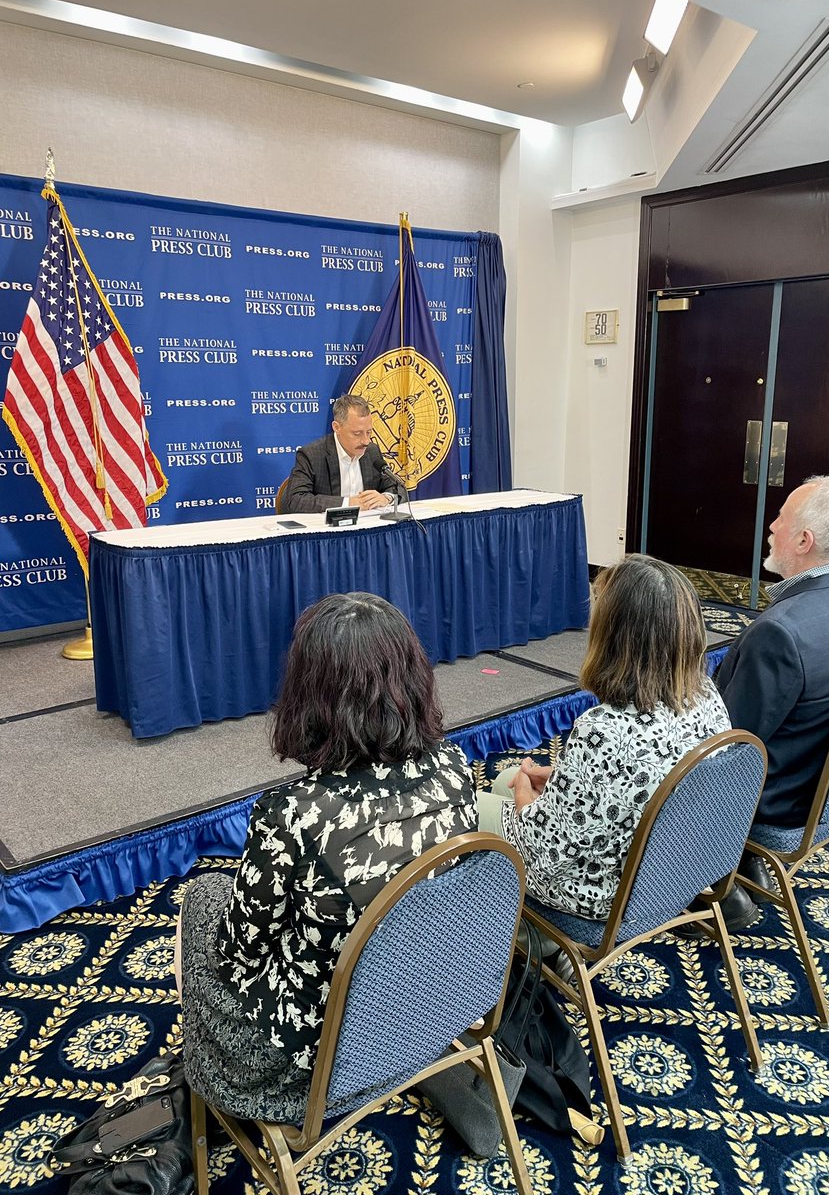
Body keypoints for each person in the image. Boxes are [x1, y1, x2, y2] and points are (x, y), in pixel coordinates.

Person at [176, 593, 475, 1121]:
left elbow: (239, 954)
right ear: (413, 680)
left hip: (317, 1061)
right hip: (431, 1004)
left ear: (309, 695)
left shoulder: (292, 817)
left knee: (203, 895)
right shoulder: (456, 769)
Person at [478, 555, 731, 923]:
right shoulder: (706, 694)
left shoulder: (602, 729)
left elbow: (545, 851)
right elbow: (643, 782)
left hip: (604, 895)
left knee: (467, 815)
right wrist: (564, 781)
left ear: (613, 636)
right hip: (675, 871)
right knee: (503, 779)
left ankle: (535, 940)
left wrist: (523, 793)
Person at [716, 475, 829, 889]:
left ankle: (709, 881)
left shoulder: (779, 632)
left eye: (780, 518)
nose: (772, 527)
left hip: (780, 804)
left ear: (803, 541)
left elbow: (726, 743)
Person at [280, 393, 401, 513]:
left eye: (368, 432)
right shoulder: (312, 455)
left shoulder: (371, 451)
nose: (365, 441)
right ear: (337, 427)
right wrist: (348, 503)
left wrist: (385, 498)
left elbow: (398, 487)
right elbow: (296, 500)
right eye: (357, 433)